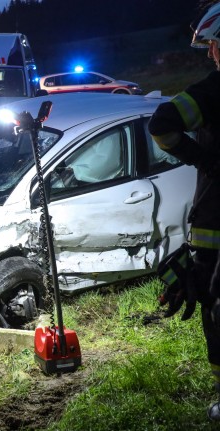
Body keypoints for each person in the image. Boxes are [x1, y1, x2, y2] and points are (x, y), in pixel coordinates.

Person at [148, 2, 220, 420]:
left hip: (216, 227)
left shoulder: (214, 92)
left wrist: (203, 159)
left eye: (214, 44)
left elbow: (161, 123)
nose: (212, 53)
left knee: (215, 313)